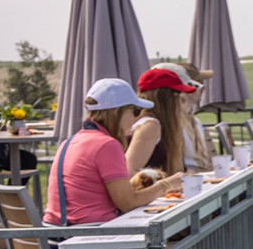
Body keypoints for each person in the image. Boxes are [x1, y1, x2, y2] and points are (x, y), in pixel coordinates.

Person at [43, 78, 182, 228]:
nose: (137, 118)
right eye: (135, 111)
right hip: (89, 234)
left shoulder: (71, 141)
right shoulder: (107, 145)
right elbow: (128, 203)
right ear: (117, 112)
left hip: (55, 232)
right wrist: (168, 184)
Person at [127, 67, 216, 173]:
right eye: (179, 96)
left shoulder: (159, 124)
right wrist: (167, 184)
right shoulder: (150, 126)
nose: (182, 100)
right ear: (165, 98)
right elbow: (129, 172)